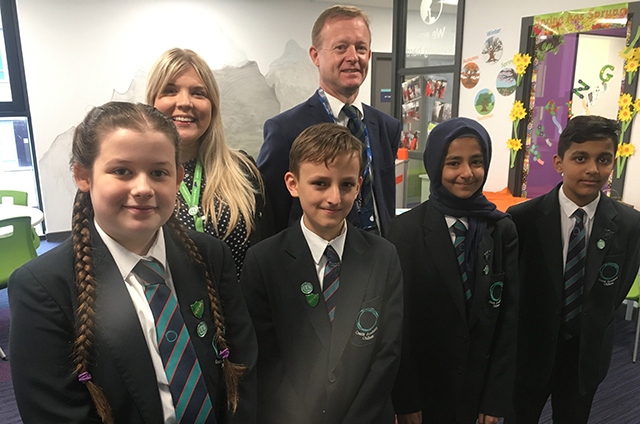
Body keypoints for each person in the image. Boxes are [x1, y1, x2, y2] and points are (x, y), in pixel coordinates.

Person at [9, 102, 257, 423]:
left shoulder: (210, 256)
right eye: (122, 171)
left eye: (159, 172)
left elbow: (242, 367)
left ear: (178, 177)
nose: (143, 188)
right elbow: (55, 413)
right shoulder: (42, 288)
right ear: (83, 176)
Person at [241, 123, 403, 423]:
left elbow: (387, 352)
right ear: (292, 184)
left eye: (346, 184)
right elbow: (266, 359)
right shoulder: (264, 261)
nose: (334, 198)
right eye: (319, 183)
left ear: (359, 184)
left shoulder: (383, 256)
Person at [506, 115, 640, 424]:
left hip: (585, 357)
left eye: (603, 159)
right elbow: (516, 289)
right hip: (530, 354)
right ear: (559, 162)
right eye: (580, 158)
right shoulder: (522, 219)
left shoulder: (629, 226)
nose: (593, 169)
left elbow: (617, 290)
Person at [388, 117, 518, 424]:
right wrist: (405, 399)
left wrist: (495, 399)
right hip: (426, 389)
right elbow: (399, 325)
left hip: (477, 388)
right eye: (453, 163)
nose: (466, 173)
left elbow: (509, 320)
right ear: (435, 166)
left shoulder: (501, 229)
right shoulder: (406, 231)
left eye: (476, 162)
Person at [257, 5, 401, 236]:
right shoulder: (285, 130)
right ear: (315, 55)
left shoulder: (386, 127)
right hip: (315, 263)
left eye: (361, 48)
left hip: (378, 259)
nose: (353, 57)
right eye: (341, 47)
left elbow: (383, 201)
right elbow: (271, 215)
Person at [147, 48, 273, 277]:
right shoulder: (138, 179)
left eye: (198, 93)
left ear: (212, 105)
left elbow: (265, 256)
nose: (185, 102)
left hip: (239, 310)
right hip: (169, 311)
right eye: (170, 90)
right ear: (152, 102)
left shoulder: (243, 170)